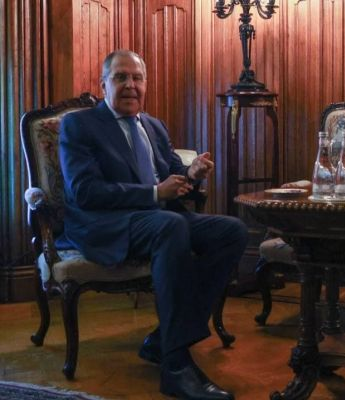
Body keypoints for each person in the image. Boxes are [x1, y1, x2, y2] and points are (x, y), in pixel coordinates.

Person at [57, 49, 248, 400]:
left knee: (231, 231)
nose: (130, 85)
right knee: (170, 225)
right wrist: (154, 192)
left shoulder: (154, 126)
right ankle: (175, 366)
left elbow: (174, 173)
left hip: (159, 219)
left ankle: (163, 339)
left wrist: (192, 174)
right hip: (106, 224)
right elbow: (85, 191)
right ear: (103, 85)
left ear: (145, 84)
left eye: (137, 78)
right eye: (120, 77)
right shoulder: (79, 125)